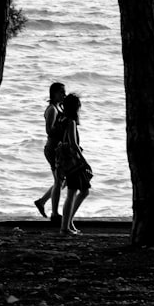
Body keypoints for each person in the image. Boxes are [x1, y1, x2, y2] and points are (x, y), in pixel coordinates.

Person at [58, 93, 92, 235]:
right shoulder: (71, 122)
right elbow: (73, 144)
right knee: (73, 192)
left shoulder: (62, 119)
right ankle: (64, 227)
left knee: (83, 191)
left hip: (65, 160)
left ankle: (68, 222)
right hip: (73, 161)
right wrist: (84, 161)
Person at [34, 82, 66, 223]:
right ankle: (54, 213)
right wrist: (64, 129)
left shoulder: (59, 107)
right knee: (59, 180)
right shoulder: (52, 109)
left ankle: (42, 201)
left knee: (61, 180)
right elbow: (49, 130)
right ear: (53, 93)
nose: (64, 95)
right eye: (61, 92)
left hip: (57, 147)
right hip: (53, 147)